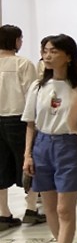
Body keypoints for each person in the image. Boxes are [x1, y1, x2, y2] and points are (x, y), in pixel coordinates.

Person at [21, 34, 77, 243]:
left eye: (53, 51)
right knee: (50, 207)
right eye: (45, 50)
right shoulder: (37, 86)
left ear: (68, 56)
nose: (47, 55)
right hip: (42, 145)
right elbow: (30, 124)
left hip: (70, 145)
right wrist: (27, 154)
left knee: (65, 209)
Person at [0, 24, 41, 230]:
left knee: (1, 165)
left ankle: (4, 213)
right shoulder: (23, 63)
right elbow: (32, 95)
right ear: (16, 40)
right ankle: (31, 209)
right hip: (19, 119)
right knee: (28, 161)